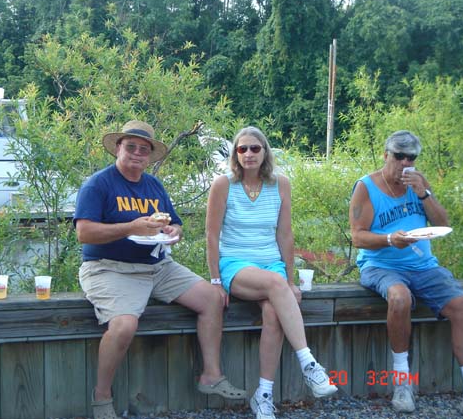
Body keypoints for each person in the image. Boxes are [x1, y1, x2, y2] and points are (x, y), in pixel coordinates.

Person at [74, 120, 246, 419]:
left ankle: (211, 375)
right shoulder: (98, 184)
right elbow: (84, 233)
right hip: (110, 269)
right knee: (124, 326)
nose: (136, 153)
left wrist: (174, 232)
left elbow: (174, 222)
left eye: (144, 149)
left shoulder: (153, 185)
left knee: (213, 298)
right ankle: (101, 398)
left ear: (150, 156)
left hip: (157, 266)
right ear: (118, 148)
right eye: (130, 147)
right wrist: (131, 226)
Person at [349, 130, 463, 418]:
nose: (405, 163)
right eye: (399, 156)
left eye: (411, 157)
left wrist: (424, 193)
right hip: (381, 265)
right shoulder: (366, 186)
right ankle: (403, 382)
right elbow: (357, 237)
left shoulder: (418, 182)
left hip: (423, 266)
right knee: (399, 298)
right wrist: (390, 239)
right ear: (386, 155)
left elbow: (443, 223)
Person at [205, 126, 337, 419]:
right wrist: (215, 281)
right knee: (278, 285)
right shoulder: (223, 184)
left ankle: (263, 395)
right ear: (235, 154)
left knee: (273, 313)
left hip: (272, 265)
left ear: (265, 152)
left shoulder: (281, 184)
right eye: (242, 149)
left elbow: (285, 234)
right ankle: (309, 364)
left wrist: (290, 280)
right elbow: (211, 236)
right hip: (236, 264)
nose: (248, 154)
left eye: (255, 148)